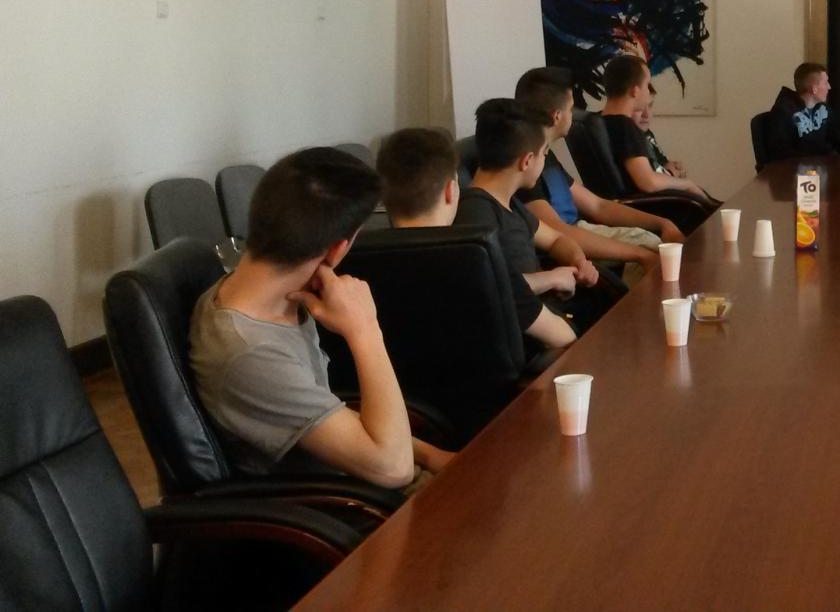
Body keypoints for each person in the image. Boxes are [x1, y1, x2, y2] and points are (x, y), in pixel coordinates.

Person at [189, 147, 453, 488]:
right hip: (352, 501)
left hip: (368, 470)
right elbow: (393, 468)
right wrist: (365, 329)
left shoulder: (273, 296)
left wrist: (431, 456)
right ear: (338, 248)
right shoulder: (250, 352)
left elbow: (326, 415)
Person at [376, 126, 574, 355]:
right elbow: (562, 336)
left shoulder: (358, 265)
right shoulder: (480, 257)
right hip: (500, 379)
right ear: (451, 190)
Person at [455, 98, 623, 333]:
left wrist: (578, 261)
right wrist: (552, 278)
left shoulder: (509, 203)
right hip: (538, 332)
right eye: (544, 153)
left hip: (553, 311)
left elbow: (556, 239)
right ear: (527, 161)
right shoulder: (477, 214)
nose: (544, 161)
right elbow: (490, 286)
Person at [514, 66, 681, 272]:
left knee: (653, 243)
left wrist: (661, 223)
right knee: (651, 248)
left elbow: (598, 206)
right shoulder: (526, 166)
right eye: (570, 109)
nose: (572, 116)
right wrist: (638, 253)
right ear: (557, 116)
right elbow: (556, 231)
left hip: (579, 229)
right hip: (567, 249)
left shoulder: (546, 157)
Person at [597, 55, 715, 203]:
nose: (648, 92)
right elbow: (648, 182)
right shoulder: (626, 128)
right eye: (647, 85)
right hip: (650, 207)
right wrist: (686, 184)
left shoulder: (597, 122)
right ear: (635, 91)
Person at [763, 62, 840, 163]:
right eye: (825, 83)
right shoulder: (784, 112)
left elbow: (836, 138)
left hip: (822, 165)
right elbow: (780, 152)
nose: (829, 87)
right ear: (814, 89)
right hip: (798, 168)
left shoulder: (823, 109)